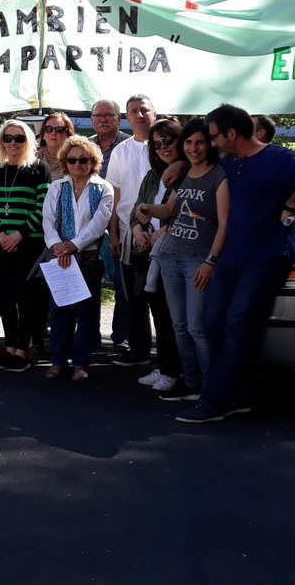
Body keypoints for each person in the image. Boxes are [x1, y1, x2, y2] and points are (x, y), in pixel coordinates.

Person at [176, 104, 295, 423]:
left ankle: (214, 401)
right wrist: (178, 164)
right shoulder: (230, 161)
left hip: (266, 256)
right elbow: (202, 167)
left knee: (238, 325)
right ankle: (236, 396)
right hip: (231, 254)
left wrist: (290, 205)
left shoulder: (277, 157)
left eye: (214, 137)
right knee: (213, 323)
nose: (212, 143)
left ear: (231, 134)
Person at [138, 118, 229, 402]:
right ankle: (190, 382)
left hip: (197, 261)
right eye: (189, 142)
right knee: (178, 326)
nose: (193, 148)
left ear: (209, 144)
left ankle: (210, 386)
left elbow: (224, 224)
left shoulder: (219, 176)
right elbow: (168, 210)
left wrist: (210, 261)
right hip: (170, 258)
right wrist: (145, 208)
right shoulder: (185, 173)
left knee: (197, 328)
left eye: (199, 142)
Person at [41, 135, 115, 381]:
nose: (78, 164)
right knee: (60, 311)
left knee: (86, 313)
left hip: (89, 256)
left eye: (83, 160)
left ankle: (81, 363)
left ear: (92, 161)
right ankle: (58, 361)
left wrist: (73, 245)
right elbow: (48, 220)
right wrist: (58, 246)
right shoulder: (57, 187)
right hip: (61, 257)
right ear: (65, 162)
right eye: (72, 160)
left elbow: (99, 223)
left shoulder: (103, 188)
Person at [0, 118, 52, 371]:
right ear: (1, 141)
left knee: (26, 297)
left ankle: (23, 349)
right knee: (5, 296)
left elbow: (43, 206)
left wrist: (19, 234)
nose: (13, 143)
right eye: (8, 138)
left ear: (28, 141)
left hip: (29, 243)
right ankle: (9, 346)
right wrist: (1, 233)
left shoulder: (39, 169)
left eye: (19, 138)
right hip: (0, 242)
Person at [125, 117, 184, 392]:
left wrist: (163, 232)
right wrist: (137, 230)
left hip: (178, 254)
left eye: (168, 140)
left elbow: (194, 212)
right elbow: (137, 208)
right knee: (159, 315)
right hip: (153, 256)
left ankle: (177, 372)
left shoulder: (190, 173)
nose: (162, 147)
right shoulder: (152, 175)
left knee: (178, 320)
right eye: (156, 144)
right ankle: (165, 366)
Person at [105, 94, 157, 367]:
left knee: (159, 297)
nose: (139, 115)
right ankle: (139, 351)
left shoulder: (164, 147)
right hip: (127, 233)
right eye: (134, 111)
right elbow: (115, 197)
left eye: (144, 110)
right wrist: (114, 234)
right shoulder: (120, 151)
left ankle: (169, 358)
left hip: (161, 230)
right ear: (126, 117)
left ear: (154, 113)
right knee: (132, 296)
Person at [89, 98, 130, 347]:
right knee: (89, 283)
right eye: (98, 115)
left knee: (122, 285)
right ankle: (89, 336)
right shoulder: (84, 146)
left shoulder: (128, 146)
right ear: (92, 119)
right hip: (88, 226)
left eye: (109, 115)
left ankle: (121, 337)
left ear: (119, 118)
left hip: (120, 224)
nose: (103, 119)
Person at [39, 111, 74, 181]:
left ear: (68, 135)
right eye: (48, 129)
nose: (53, 133)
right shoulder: (32, 159)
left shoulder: (76, 160)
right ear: (43, 135)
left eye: (59, 130)